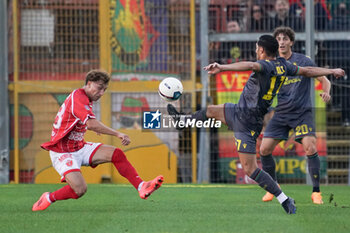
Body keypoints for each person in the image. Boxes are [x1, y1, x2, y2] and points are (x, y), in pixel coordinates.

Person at [167, 35, 344, 214]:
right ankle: (182, 122)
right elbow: (307, 71)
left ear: (261, 50)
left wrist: (222, 67)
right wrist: (331, 71)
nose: (255, 51)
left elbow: (251, 65)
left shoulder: (265, 65)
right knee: (211, 110)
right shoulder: (284, 65)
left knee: (250, 169)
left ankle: (284, 199)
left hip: (247, 120)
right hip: (240, 111)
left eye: (256, 48)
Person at [32, 70, 163, 211]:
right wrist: (117, 133)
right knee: (80, 189)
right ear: (88, 83)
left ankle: (141, 186)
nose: (101, 93)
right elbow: (91, 123)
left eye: (104, 89)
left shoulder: (85, 98)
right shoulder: (78, 97)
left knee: (116, 154)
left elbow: (74, 120)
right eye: (99, 88)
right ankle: (48, 198)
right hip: (62, 151)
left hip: (79, 147)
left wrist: (88, 127)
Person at [259, 26, 331, 205]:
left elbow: (325, 79)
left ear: (291, 41)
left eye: (284, 39)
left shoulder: (303, 60)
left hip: (302, 113)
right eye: (278, 39)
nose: (281, 42)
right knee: (264, 150)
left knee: (310, 148)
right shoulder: (273, 63)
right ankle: (273, 188)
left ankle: (316, 192)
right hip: (282, 113)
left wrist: (326, 92)